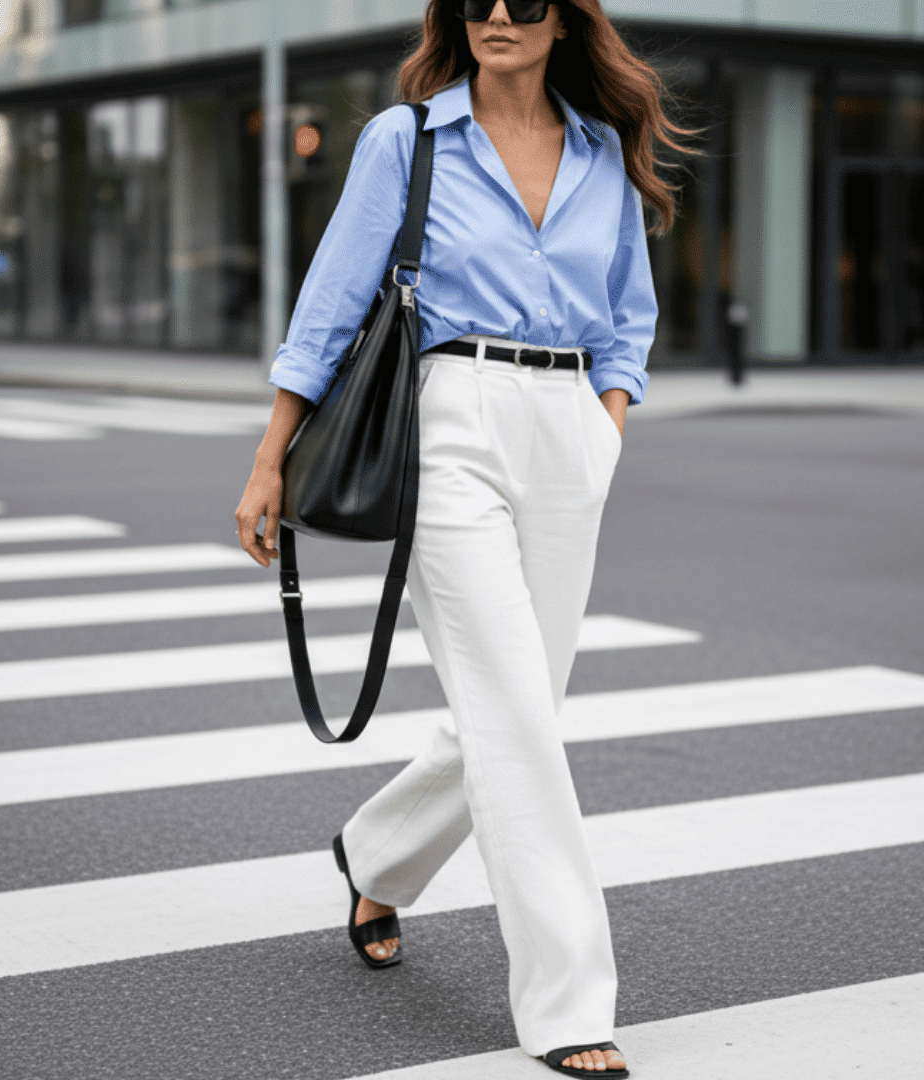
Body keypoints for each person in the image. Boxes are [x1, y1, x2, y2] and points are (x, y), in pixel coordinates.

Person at [234, 1, 688, 1074]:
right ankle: (572, 1004)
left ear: (564, 22)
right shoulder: (407, 140)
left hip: (568, 427)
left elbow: (629, 313)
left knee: (528, 701)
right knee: (518, 717)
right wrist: (270, 455)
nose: (495, 13)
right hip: (450, 420)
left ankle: (377, 852)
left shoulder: (599, 152)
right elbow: (333, 301)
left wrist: (605, 424)